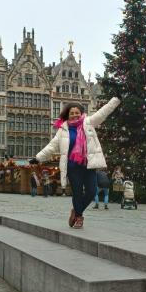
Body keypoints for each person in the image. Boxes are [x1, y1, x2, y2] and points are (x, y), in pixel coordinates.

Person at [31, 98, 121, 229]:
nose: (75, 115)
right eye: (72, 113)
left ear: (81, 113)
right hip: (73, 167)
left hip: (88, 165)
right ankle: (79, 217)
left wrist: (115, 100)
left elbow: (102, 113)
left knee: (91, 191)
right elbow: (51, 147)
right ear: (67, 115)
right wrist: (38, 158)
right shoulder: (63, 131)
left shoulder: (88, 123)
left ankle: (76, 211)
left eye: (77, 112)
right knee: (77, 193)